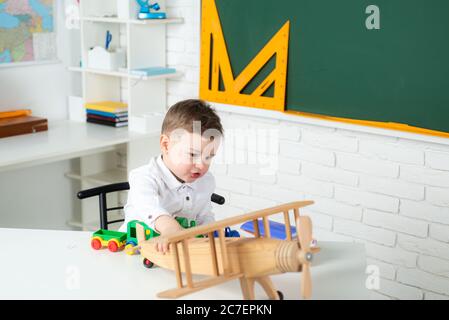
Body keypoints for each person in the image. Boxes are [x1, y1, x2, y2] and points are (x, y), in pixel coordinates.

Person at [119, 99, 223, 254]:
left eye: (209, 156)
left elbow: (205, 215)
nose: (201, 165)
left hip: (179, 252)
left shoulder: (205, 181)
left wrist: (209, 234)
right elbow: (149, 207)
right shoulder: (143, 177)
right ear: (166, 145)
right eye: (193, 154)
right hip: (135, 251)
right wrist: (170, 229)